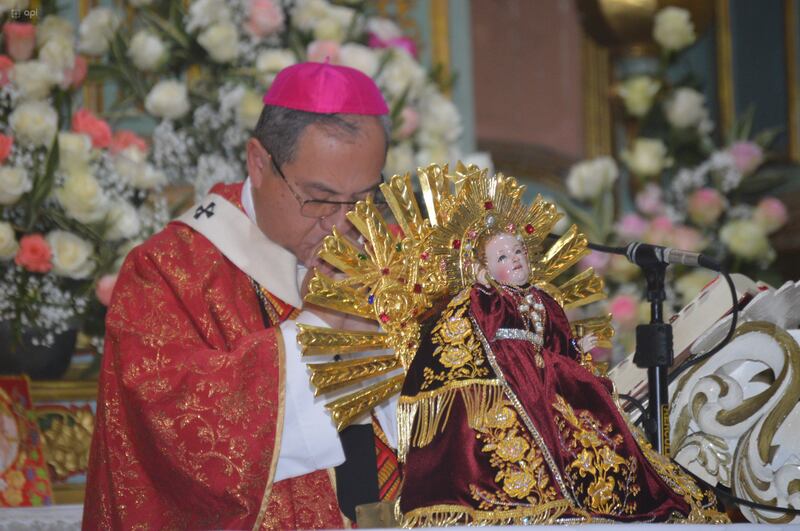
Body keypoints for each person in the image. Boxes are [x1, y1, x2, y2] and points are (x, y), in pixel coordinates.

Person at [83, 62, 399, 530]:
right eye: (319, 197)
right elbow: (177, 441)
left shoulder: (393, 254)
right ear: (258, 162)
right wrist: (322, 330)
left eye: (363, 198)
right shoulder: (167, 273)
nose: (341, 223)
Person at [397, 218, 729, 525]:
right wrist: (479, 291)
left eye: (518, 251)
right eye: (501, 257)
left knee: (596, 433)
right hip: (513, 384)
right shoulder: (488, 300)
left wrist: (574, 349)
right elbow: (465, 336)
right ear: (483, 270)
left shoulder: (545, 301)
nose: (514, 259)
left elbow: (558, 342)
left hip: (556, 383)